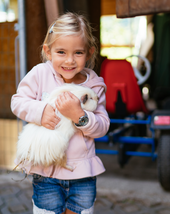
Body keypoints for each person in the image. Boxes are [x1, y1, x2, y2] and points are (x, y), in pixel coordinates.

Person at [11, 12, 110, 214]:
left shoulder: (94, 86)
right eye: (61, 52)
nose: (70, 61)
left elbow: (102, 127)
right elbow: (17, 102)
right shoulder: (40, 74)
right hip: (46, 173)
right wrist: (41, 111)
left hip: (82, 176)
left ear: (89, 53)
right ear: (48, 51)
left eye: (78, 53)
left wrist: (79, 117)